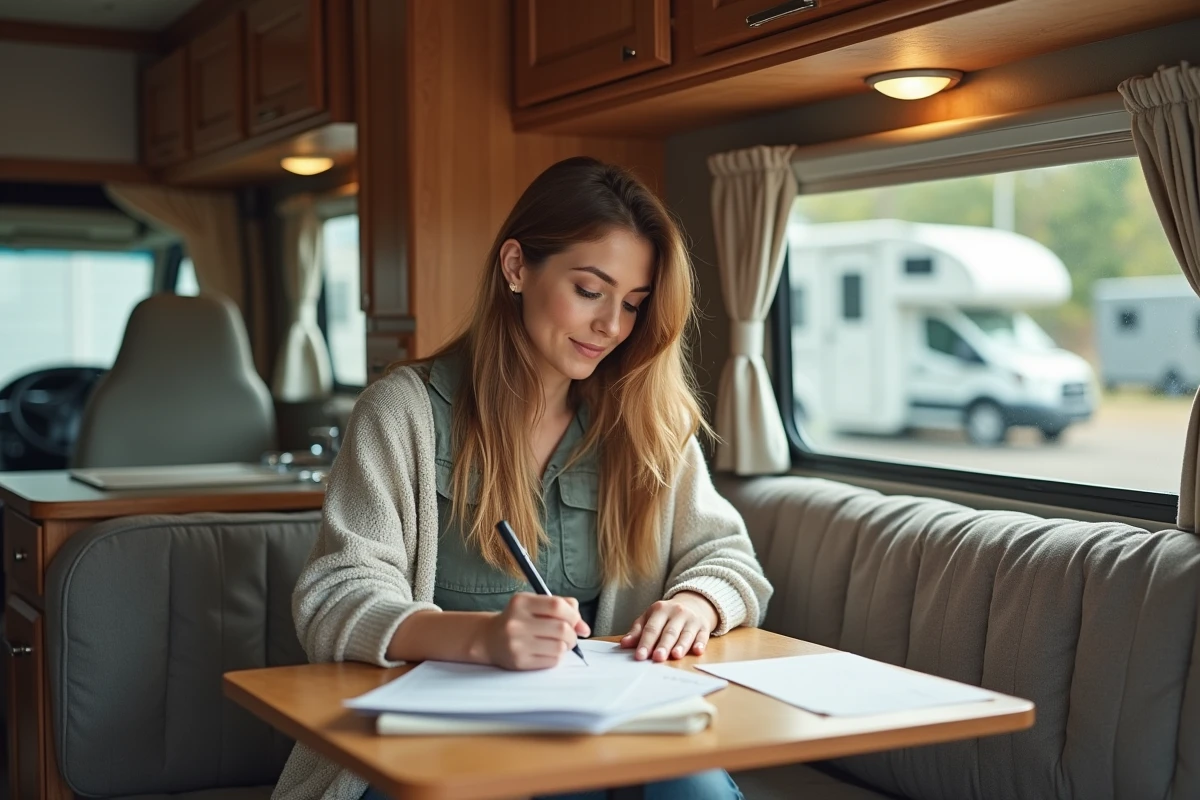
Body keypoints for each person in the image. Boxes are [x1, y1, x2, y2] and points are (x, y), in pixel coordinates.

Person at [271, 157, 773, 800]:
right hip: (428, 741)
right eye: (589, 291)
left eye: (632, 304)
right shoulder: (401, 413)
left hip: (597, 737)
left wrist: (695, 604)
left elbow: (728, 558)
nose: (612, 326)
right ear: (516, 267)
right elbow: (334, 597)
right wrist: (481, 638)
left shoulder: (648, 422)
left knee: (695, 789)